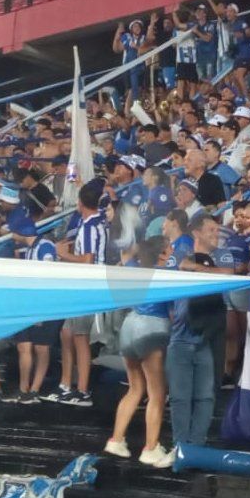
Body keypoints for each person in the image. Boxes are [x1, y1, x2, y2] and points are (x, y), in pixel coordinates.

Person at [103, 236, 174, 468]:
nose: (173, 253)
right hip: (152, 327)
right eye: (170, 250)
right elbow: (173, 312)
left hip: (129, 325)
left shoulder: (134, 268)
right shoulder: (165, 275)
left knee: (135, 388)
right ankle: (151, 448)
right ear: (162, 253)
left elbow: (126, 257)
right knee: (157, 394)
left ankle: (116, 439)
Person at [167, 213, 229, 452]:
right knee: (181, 399)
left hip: (205, 339)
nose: (216, 234)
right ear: (197, 233)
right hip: (182, 339)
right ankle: (181, 447)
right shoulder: (179, 256)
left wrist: (194, 268)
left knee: (206, 397)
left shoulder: (221, 256)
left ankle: (196, 447)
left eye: (217, 230)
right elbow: (174, 269)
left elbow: (229, 274)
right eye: (211, 230)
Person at [48, 181, 106, 407]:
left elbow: (88, 260)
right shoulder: (95, 221)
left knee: (80, 338)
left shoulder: (91, 226)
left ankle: (82, 390)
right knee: (66, 332)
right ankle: (66, 385)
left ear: (80, 202)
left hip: (89, 287)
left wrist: (64, 254)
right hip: (83, 286)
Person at [7, 212, 61, 403]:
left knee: (41, 348)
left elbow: (48, 275)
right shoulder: (29, 249)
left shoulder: (45, 246)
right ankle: (24, 389)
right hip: (30, 306)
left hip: (45, 308)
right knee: (25, 347)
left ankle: (34, 390)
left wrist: (41, 309)